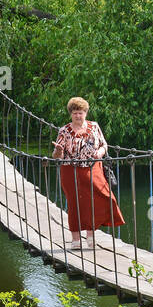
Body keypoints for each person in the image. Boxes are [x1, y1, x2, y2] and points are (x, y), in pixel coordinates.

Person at [53, 97, 124, 249]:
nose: (78, 116)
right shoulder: (64, 131)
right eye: (75, 113)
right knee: (75, 204)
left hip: (93, 168)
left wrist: (100, 152)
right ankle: (76, 239)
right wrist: (58, 151)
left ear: (86, 113)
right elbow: (56, 156)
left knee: (102, 198)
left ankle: (91, 236)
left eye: (80, 112)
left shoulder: (94, 126)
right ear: (71, 114)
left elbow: (104, 144)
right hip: (70, 171)